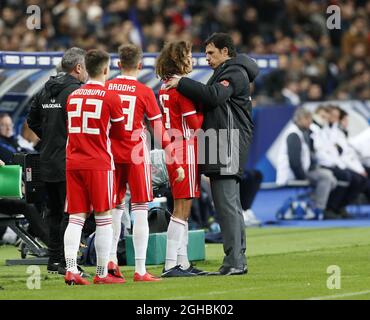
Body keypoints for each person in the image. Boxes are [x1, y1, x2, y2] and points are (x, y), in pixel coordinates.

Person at [165, 32, 259, 275]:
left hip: (227, 144)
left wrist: (182, 83)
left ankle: (235, 261)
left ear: (225, 52)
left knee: (227, 205)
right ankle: (237, 259)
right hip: (222, 143)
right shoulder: (226, 72)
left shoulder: (234, 73)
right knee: (230, 205)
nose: (206, 58)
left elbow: (214, 96)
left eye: (211, 53)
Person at [105, 44, 184, 281]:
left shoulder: (107, 88)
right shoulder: (144, 92)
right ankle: (140, 270)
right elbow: (159, 130)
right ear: (140, 65)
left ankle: (110, 262)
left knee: (113, 209)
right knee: (139, 209)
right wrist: (174, 160)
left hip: (110, 154)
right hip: (136, 153)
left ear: (118, 65)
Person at [64, 49, 126, 286]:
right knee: (104, 218)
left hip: (73, 161)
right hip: (99, 163)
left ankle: (71, 270)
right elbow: (120, 133)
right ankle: (101, 273)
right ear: (106, 69)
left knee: (75, 218)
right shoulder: (110, 97)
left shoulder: (74, 96)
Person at [28, 47, 89, 275]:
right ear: (79, 67)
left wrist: (50, 138)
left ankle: (54, 261)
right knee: (71, 213)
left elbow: (31, 120)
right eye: (85, 69)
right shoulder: (77, 92)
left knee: (54, 212)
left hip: (47, 161)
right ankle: (67, 261)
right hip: (68, 161)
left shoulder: (44, 90)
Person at [157, 40, 207, 277]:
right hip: (184, 149)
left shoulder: (165, 86)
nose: (193, 60)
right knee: (182, 208)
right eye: (189, 55)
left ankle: (183, 263)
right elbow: (196, 124)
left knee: (182, 208)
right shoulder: (181, 90)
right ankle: (169, 264)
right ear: (180, 59)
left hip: (174, 147)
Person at [276, 108, 337, 219]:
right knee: (326, 177)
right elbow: (294, 162)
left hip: (303, 170)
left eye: (310, 118)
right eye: (306, 118)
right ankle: (318, 209)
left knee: (332, 179)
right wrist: (303, 178)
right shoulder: (293, 134)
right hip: (294, 173)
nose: (309, 121)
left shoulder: (302, 133)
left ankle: (305, 200)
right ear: (298, 119)